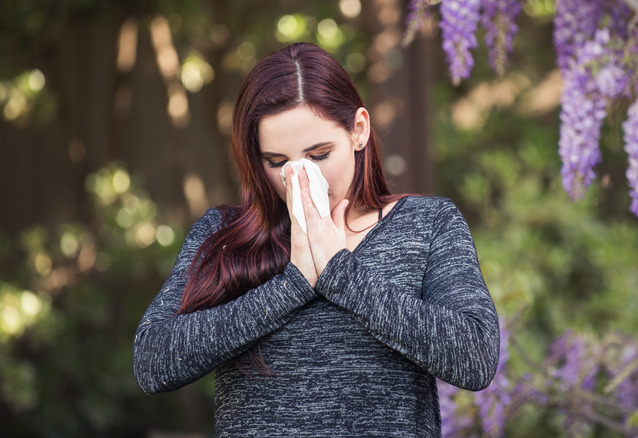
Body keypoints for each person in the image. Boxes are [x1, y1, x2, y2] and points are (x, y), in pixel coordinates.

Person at [133, 42, 499, 437]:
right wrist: (292, 284)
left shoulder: (427, 224)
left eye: (320, 154)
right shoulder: (224, 232)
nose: (300, 178)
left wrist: (341, 273)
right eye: (277, 163)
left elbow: (475, 357)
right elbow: (153, 361)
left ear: (358, 130)